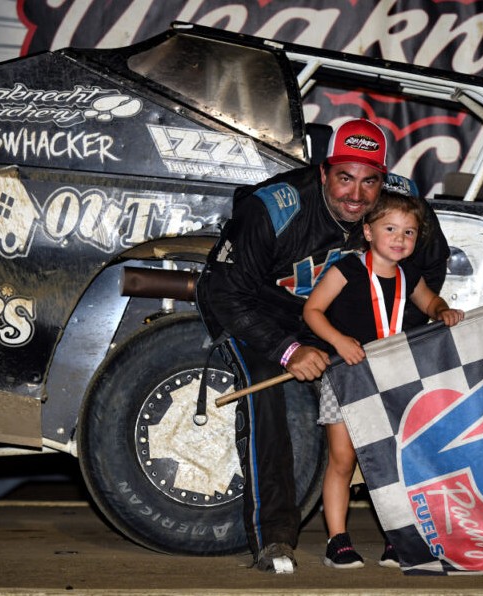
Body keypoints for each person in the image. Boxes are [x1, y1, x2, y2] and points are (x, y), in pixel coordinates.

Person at [195, 118, 449, 574]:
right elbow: (225, 291)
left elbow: (429, 268)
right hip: (264, 316)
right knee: (266, 400)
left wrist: (392, 331)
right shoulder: (273, 207)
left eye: (369, 181)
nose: (356, 195)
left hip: (343, 329)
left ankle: (410, 531)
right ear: (322, 172)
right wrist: (288, 350)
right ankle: (274, 538)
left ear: (383, 178)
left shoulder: (401, 203)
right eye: (344, 178)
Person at [303, 191, 464, 570]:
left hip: (392, 381)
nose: (399, 238)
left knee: (394, 464)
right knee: (343, 461)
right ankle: (337, 541)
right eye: (390, 228)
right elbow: (312, 310)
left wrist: (443, 311)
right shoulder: (347, 270)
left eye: (409, 232)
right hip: (347, 378)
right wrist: (339, 341)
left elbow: (430, 303)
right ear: (368, 231)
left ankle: (397, 537)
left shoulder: (410, 275)